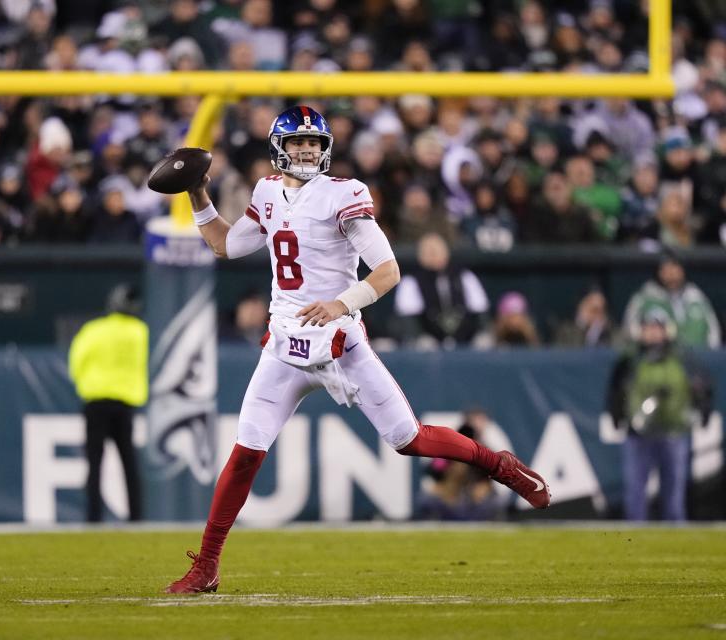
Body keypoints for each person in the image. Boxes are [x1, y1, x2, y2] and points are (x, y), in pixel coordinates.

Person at [166, 105, 551, 595]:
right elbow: (223, 245)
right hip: (284, 345)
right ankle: (207, 566)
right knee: (245, 454)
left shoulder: (343, 194)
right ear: (278, 148)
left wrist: (339, 303)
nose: (306, 150)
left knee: (408, 438)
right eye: (297, 142)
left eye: (313, 142)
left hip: (339, 342)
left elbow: (387, 271)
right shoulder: (265, 192)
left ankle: (500, 465)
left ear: (325, 148)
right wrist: (198, 192)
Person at [606, 308, 713, 521]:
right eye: (649, 328)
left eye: (657, 328)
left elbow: (702, 386)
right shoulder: (631, 358)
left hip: (673, 431)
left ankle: (677, 543)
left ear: (667, 330)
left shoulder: (682, 357)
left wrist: (703, 410)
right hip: (638, 434)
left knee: (674, 496)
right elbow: (616, 390)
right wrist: (617, 417)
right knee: (635, 494)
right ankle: (633, 545)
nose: (653, 333)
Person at [67, 284, 147, 522]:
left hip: (96, 403)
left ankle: (93, 517)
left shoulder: (93, 330)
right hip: (125, 403)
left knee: (95, 463)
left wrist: (87, 385)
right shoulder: (140, 331)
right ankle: (136, 517)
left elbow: (76, 362)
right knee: (129, 463)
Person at [622, 250, 721, 348]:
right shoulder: (645, 296)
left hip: (698, 359)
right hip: (658, 359)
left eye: (674, 267)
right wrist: (642, 334)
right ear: (659, 271)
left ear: (682, 270)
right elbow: (628, 329)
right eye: (665, 268)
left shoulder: (696, 296)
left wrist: (710, 357)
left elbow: (714, 333)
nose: (671, 273)